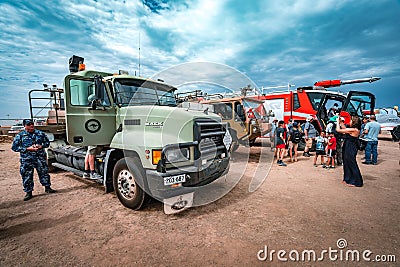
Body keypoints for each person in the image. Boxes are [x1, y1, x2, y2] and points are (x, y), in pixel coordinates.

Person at [11, 119, 56, 201]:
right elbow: (14, 147)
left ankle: (47, 188)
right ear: (25, 126)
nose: (31, 126)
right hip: (27, 159)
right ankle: (28, 192)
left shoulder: (40, 134)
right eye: (29, 124)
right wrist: (27, 149)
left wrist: (41, 146)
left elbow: (47, 143)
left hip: (40, 158)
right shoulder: (20, 136)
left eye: (32, 124)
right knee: (27, 175)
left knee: (44, 172)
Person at [336, 116, 363, 187]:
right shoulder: (353, 129)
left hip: (351, 147)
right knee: (346, 162)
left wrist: (337, 122)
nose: (349, 122)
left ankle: (358, 182)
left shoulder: (355, 130)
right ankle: (348, 179)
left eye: (351, 120)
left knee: (351, 163)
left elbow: (338, 130)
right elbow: (345, 129)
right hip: (347, 145)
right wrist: (341, 122)